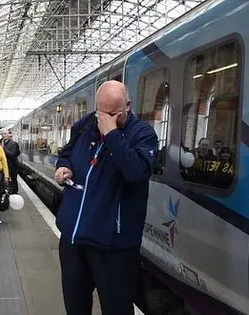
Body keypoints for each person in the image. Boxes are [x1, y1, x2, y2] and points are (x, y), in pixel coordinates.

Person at [54, 80, 158, 315]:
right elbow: (67, 153)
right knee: (75, 305)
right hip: (74, 238)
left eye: (113, 114)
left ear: (128, 106)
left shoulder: (143, 135)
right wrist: (64, 167)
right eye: (101, 112)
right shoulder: (85, 126)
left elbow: (135, 172)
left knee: (116, 308)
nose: (104, 119)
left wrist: (111, 133)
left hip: (113, 245)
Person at [0, 128, 20, 194]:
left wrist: (3, 148)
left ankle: (14, 195)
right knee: (2, 184)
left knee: (13, 184)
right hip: (2, 167)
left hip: (12, 168)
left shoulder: (14, 144)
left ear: (8, 134)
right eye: (2, 134)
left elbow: (12, 155)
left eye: (5, 134)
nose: (4, 135)